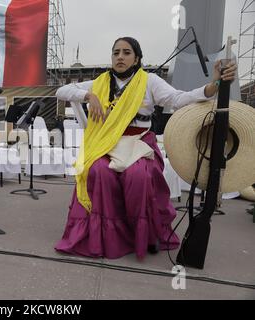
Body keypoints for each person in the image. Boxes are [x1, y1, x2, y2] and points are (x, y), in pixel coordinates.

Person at [55, 37, 237, 260]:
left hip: (140, 143)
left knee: (138, 176)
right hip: (107, 143)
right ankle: (105, 238)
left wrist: (213, 85)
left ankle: (141, 235)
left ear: (137, 58)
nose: (120, 57)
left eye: (126, 52)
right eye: (116, 53)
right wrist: (89, 95)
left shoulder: (149, 81)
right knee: (98, 172)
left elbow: (177, 99)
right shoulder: (100, 83)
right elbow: (62, 91)